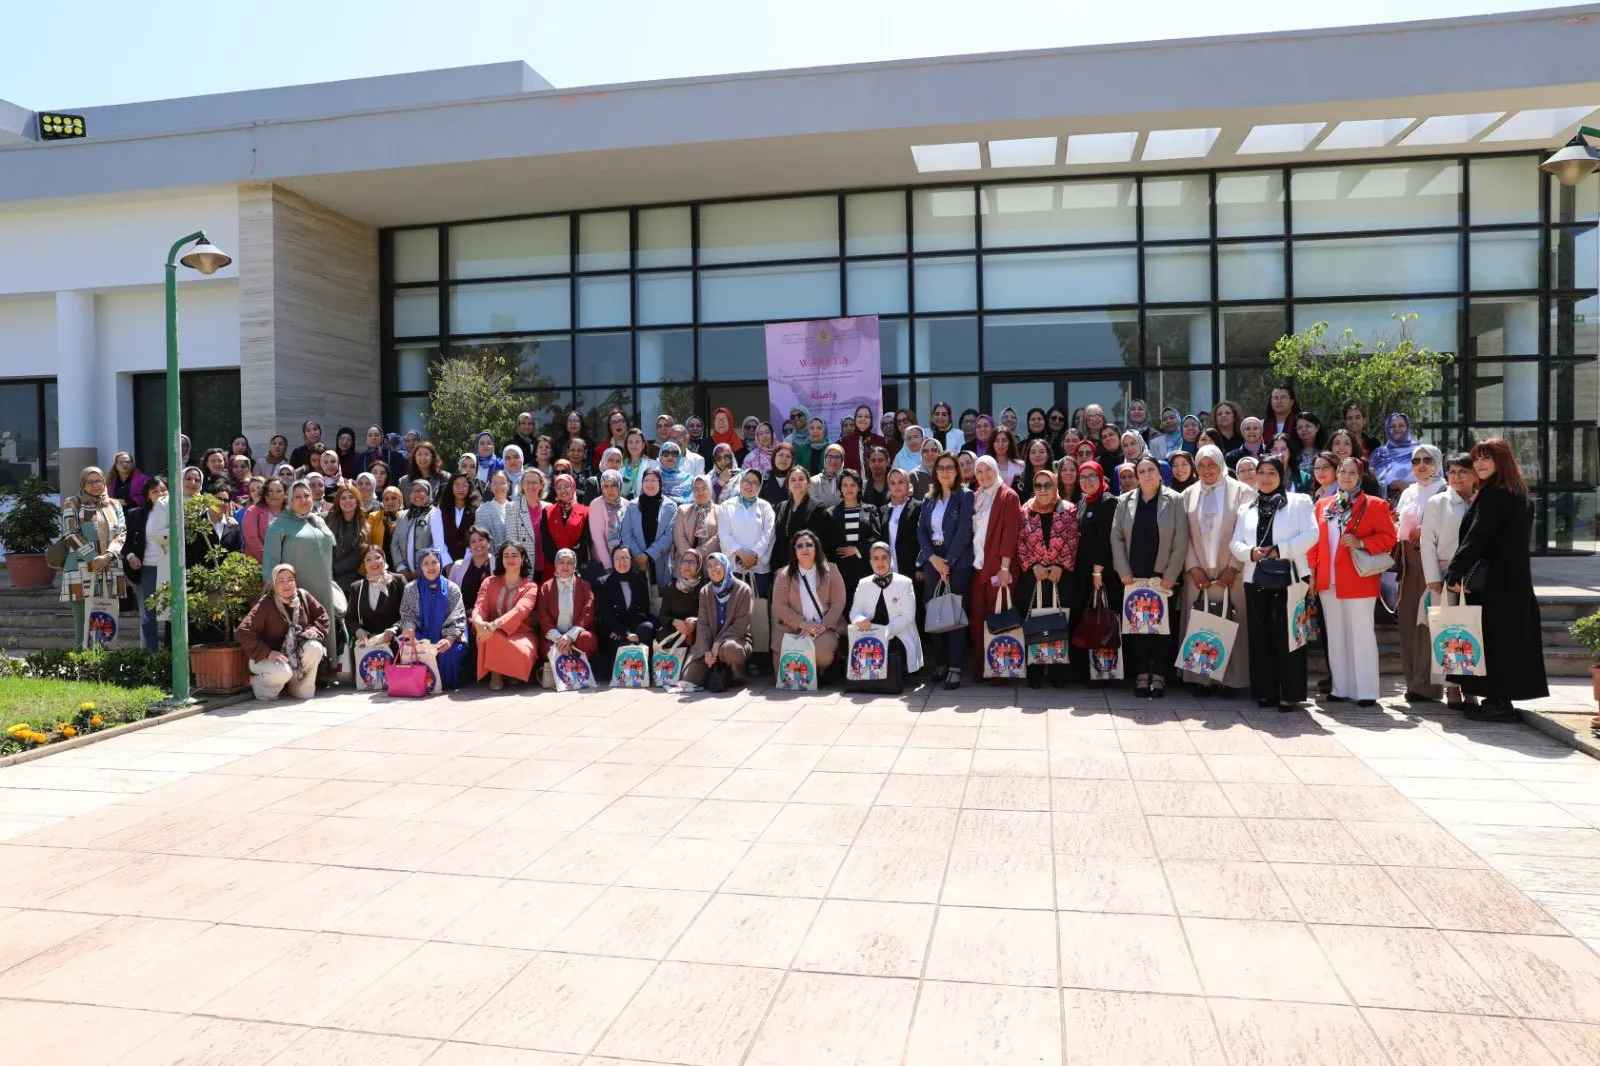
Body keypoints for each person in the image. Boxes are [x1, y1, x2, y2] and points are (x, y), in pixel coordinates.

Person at [1444, 439, 1548, 719]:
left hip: (1497, 585)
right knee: (1501, 641)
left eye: (1485, 458)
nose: (1478, 464)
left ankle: (1499, 703)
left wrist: (1455, 569)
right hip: (1508, 582)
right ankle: (1497, 700)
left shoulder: (1498, 494)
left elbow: (1478, 536)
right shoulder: (1514, 490)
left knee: (1496, 641)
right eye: (1476, 459)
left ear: (1501, 460)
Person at [1231, 456, 1319, 711]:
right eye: (1262, 472)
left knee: (1290, 635)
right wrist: (1251, 552)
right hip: (1255, 577)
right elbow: (1235, 542)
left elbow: (1312, 534)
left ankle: (1290, 693)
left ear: (1282, 477)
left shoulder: (1299, 502)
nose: (1266, 478)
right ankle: (1266, 691)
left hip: (1289, 578)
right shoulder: (1246, 508)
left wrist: (1279, 550)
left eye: (1272, 472)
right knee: (1261, 637)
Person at [1307, 457, 1397, 706]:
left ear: (1361, 476)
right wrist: (1313, 574)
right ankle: (1340, 687)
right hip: (1328, 579)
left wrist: (1361, 543)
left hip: (1359, 578)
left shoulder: (1375, 504)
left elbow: (1390, 538)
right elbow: (1313, 543)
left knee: (1361, 634)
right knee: (1335, 635)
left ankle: (1366, 691)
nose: (1346, 476)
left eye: (1352, 472)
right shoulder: (1324, 505)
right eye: (1342, 472)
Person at [1110, 456, 1189, 698]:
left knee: (1162, 628)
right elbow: (1116, 537)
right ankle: (1142, 674)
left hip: (1161, 577)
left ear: (1160, 472)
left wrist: (1171, 574)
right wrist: (1123, 570)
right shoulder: (1124, 501)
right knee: (1138, 627)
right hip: (1133, 577)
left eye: (1151, 470)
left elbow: (1181, 540)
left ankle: (1160, 675)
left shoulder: (1174, 499)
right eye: (1141, 471)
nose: (1146, 475)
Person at [1179, 445, 1252, 697]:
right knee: (1201, 621)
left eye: (1212, 464)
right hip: (1198, 573)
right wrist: (1192, 566)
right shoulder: (1188, 494)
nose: (1207, 470)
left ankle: (1229, 680)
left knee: (1231, 621)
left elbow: (1246, 532)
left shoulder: (1242, 492)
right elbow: (1183, 536)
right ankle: (1201, 678)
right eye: (1201, 465)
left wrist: (1234, 566)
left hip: (1231, 572)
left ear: (1221, 463)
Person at [262, 480, 345, 670]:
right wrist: (270, 581)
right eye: (297, 496)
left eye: (306, 495)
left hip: (322, 584)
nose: (303, 500)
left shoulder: (317, 520)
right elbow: (270, 557)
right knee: (300, 625)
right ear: (289, 499)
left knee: (323, 622)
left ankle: (325, 669)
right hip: (296, 586)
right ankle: (301, 670)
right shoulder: (279, 524)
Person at [1420, 453, 1477, 709]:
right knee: (1450, 631)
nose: (1457, 477)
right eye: (1452, 471)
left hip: (1476, 576)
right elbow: (1427, 542)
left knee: (1474, 630)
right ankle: (1452, 687)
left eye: (1463, 471)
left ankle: (1472, 687)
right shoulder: (1438, 502)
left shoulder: (1482, 500)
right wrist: (1433, 577)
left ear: (1475, 474)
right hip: (1445, 576)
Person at [1393, 444, 1447, 704]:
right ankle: (1412, 682)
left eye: (1427, 460)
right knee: (1407, 622)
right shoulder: (1408, 493)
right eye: (1416, 460)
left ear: (1437, 462)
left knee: (1426, 621)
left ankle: (1428, 686)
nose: (1421, 465)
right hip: (1407, 562)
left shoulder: (1446, 490)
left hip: (1432, 562)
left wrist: (1424, 530)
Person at [1016, 466, 1078, 689]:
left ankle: (1057, 671)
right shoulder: (1025, 511)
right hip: (1033, 576)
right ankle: (1034, 670)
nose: (1042, 490)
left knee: (1057, 620)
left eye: (1047, 485)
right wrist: (1033, 565)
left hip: (1060, 576)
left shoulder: (1069, 510)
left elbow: (1073, 540)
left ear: (1056, 486)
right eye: (1038, 485)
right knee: (1034, 620)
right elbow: (1020, 541)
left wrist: (1060, 566)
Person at [237, 564, 330, 700]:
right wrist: (267, 652)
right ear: (274, 584)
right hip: (265, 658)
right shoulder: (267, 603)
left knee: (315, 647)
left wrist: (315, 629)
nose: (286, 584)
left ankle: (299, 687)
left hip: (295, 653)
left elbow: (323, 616)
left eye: (290, 579)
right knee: (283, 673)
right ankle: (260, 685)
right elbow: (242, 632)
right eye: (281, 580)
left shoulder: (302, 596)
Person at [967, 455, 1022, 680]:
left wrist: (1005, 567)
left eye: (987, 470)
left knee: (999, 617)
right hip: (979, 567)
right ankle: (983, 667)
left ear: (995, 470)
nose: (983, 475)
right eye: (978, 471)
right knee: (978, 619)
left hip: (999, 568)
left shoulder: (1008, 495)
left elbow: (1010, 533)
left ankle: (1000, 670)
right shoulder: (977, 496)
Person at [772, 530, 847, 677]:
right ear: (794, 551)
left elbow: (839, 602)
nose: (804, 548)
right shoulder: (783, 574)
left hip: (824, 628)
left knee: (822, 653)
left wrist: (823, 625)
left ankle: (822, 671)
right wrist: (802, 624)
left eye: (809, 544)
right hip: (793, 629)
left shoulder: (831, 570)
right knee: (783, 675)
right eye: (799, 546)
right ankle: (812, 676)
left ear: (816, 548)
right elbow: (779, 605)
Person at [848, 541, 923, 687]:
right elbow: (854, 612)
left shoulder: (905, 582)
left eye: (884, 557)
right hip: (869, 635)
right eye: (875, 558)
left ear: (891, 559)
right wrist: (859, 620)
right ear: (870, 562)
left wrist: (884, 633)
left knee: (890, 648)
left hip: (896, 634)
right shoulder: (863, 583)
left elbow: (908, 616)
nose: (880, 562)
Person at [472, 541, 540, 689]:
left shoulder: (530, 587)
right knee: (491, 635)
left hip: (520, 633)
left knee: (523, 651)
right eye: (506, 556)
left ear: (522, 559)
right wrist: (478, 621)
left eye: (514, 555)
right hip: (489, 631)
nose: (510, 559)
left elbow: (521, 610)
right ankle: (496, 675)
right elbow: (480, 606)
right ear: (501, 560)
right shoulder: (489, 582)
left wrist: (496, 624)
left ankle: (511, 673)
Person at [399, 548, 469, 690]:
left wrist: (449, 639)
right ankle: (420, 682)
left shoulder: (452, 588)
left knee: (449, 653)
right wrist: (410, 627)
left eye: (434, 562)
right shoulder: (411, 588)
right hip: (421, 634)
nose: (431, 567)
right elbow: (407, 614)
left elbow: (458, 616)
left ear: (440, 564)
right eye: (426, 563)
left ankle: (445, 684)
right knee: (413, 647)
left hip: (448, 636)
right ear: (420, 566)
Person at [681, 552, 754, 688]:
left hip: (736, 640)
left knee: (731, 649)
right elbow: (703, 624)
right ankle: (716, 672)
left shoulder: (742, 590)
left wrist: (718, 643)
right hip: (710, 642)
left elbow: (741, 625)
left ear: (726, 566)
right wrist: (706, 651)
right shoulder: (705, 591)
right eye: (709, 566)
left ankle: (737, 676)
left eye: (717, 564)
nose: (713, 569)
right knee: (688, 681)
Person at [120, 477, 166, 651]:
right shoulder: (135, 514)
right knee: (148, 615)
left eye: (163, 490)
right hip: (146, 568)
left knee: (172, 616)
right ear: (147, 496)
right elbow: (124, 540)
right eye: (155, 491)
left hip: (170, 568)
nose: (161, 494)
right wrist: (131, 556)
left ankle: (171, 654)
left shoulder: (177, 513)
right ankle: (150, 655)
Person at [597, 544, 656, 675]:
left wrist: (629, 631)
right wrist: (624, 632)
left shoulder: (639, 579)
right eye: (617, 558)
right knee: (619, 645)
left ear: (631, 560)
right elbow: (606, 616)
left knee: (647, 627)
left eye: (625, 558)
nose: (621, 562)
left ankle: (645, 671)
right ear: (613, 561)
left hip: (634, 627)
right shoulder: (604, 583)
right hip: (614, 630)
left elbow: (644, 611)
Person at [537, 548, 599, 670]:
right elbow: (543, 615)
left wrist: (569, 636)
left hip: (577, 634)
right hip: (554, 635)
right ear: (555, 565)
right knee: (547, 647)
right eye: (561, 562)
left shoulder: (584, 586)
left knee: (587, 639)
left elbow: (587, 614)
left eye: (570, 562)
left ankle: (581, 669)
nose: (565, 566)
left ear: (575, 566)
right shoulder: (546, 587)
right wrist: (559, 639)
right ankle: (562, 670)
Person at [718, 469, 776, 597]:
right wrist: (741, 555)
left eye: (754, 482)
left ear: (759, 486)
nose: (749, 485)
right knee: (734, 607)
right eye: (746, 481)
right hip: (734, 566)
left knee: (757, 610)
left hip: (759, 567)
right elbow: (724, 535)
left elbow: (769, 535)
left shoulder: (765, 507)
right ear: (740, 482)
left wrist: (754, 556)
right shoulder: (726, 506)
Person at [346, 545, 407, 663]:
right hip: (368, 648)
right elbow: (350, 619)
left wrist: (395, 629)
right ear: (364, 564)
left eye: (377, 557)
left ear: (384, 559)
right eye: (368, 559)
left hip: (394, 644)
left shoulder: (398, 581)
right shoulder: (357, 587)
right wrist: (359, 631)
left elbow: (408, 613)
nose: (373, 562)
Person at [825, 469, 881, 595]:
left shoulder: (870, 510)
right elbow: (827, 543)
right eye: (845, 485)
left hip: (866, 569)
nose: (849, 488)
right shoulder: (831, 513)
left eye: (853, 484)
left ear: (859, 487)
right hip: (840, 571)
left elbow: (877, 537)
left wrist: (856, 549)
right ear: (840, 488)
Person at [618, 466, 675, 588]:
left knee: (662, 598)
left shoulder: (671, 506)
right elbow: (626, 534)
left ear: (660, 483)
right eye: (646, 480)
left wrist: (648, 555)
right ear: (642, 483)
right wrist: (638, 555)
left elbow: (669, 536)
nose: (650, 483)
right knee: (642, 595)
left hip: (661, 560)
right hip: (638, 561)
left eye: (654, 480)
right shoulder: (632, 506)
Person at [448, 526, 497, 666]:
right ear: (469, 546)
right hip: (463, 616)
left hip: (489, 616)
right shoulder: (458, 566)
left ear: (489, 542)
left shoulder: (498, 564)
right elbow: (451, 596)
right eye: (473, 541)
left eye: (481, 540)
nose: (478, 544)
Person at [772, 465, 830, 575]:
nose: (797, 482)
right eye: (793, 480)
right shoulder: (781, 507)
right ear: (788, 485)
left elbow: (820, 540)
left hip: (807, 566)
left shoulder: (818, 507)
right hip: (782, 568)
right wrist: (775, 567)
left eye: (801, 479)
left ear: (808, 483)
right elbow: (777, 540)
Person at [390, 478, 450, 578]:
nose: (417, 494)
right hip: (403, 575)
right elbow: (394, 544)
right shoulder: (402, 516)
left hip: (428, 573)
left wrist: (424, 567)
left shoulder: (436, 514)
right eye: (413, 491)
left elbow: (437, 543)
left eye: (421, 490)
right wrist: (401, 568)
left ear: (428, 494)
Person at [658, 548, 706, 656]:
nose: (687, 565)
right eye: (684, 561)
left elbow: (711, 616)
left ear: (699, 566)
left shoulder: (705, 588)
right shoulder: (671, 587)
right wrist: (675, 622)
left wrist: (696, 621)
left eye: (692, 562)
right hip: (676, 634)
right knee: (662, 632)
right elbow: (662, 616)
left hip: (697, 633)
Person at [1368, 412, 1421, 503]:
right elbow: (1368, 482)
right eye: (1392, 426)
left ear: (1407, 427)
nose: (1397, 429)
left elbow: (1436, 482)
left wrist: (1407, 487)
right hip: (1384, 509)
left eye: (1401, 425)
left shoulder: (1421, 451)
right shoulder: (1378, 454)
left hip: (1416, 506)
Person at [326, 483, 370, 593]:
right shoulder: (326, 518)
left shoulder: (364, 524)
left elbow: (357, 556)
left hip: (350, 581)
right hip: (325, 576)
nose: (347, 501)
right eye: (343, 498)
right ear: (338, 501)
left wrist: (334, 569)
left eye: (351, 497)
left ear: (357, 500)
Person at [674, 474, 721, 564]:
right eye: (696, 489)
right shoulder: (683, 510)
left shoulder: (720, 511)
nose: (700, 492)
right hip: (685, 563)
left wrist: (698, 554)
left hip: (710, 564)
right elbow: (679, 536)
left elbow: (718, 537)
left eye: (704, 488)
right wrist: (689, 557)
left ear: (710, 489)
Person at [242, 476, 287, 562]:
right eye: (270, 491)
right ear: (265, 493)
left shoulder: (290, 513)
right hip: (259, 564)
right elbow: (252, 539)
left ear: (285, 494)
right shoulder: (252, 511)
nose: (274, 494)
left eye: (279, 491)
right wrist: (269, 561)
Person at [438, 473, 479, 561]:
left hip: (470, 561)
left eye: (464, 485)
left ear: (469, 487)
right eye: (457, 485)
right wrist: (447, 563)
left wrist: (466, 563)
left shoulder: (477, 510)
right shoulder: (441, 510)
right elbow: (439, 540)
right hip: (445, 562)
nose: (461, 489)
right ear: (451, 487)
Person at [840, 404, 886, 477]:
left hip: (875, 485)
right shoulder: (843, 443)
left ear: (871, 420)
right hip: (852, 485)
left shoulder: (880, 441)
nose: (863, 419)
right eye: (860, 416)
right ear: (855, 419)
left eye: (867, 417)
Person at [761, 443, 797, 508]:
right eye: (781, 455)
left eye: (788, 456)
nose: (784, 459)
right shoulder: (762, 479)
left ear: (792, 460)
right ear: (774, 457)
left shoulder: (796, 479)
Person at [810, 444, 846, 508]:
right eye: (830, 456)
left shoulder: (847, 481)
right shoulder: (813, 481)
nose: (833, 460)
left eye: (837, 457)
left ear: (842, 461)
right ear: (825, 459)